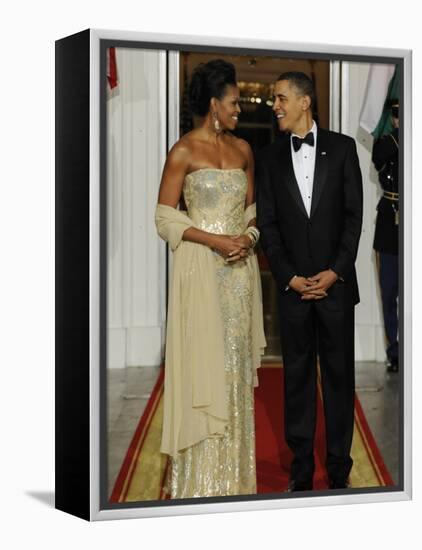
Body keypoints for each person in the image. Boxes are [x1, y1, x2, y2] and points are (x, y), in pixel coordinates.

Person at [155, 59, 266, 499]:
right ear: (214, 104)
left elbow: (254, 211)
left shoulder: (243, 151)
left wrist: (249, 237)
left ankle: (234, 480)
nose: (240, 110)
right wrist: (214, 241)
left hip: (239, 277)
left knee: (233, 368)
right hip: (200, 274)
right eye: (235, 102)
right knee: (203, 366)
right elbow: (164, 218)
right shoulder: (183, 151)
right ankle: (198, 483)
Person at [256, 71, 363, 491]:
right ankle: (300, 470)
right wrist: (290, 277)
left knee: (339, 380)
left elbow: (353, 217)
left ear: (304, 102)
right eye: (274, 99)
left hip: (336, 288)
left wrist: (335, 271)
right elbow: (268, 224)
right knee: (297, 381)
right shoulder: (268, 158)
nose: (275, 105)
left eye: (281, 97)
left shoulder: (343, 149)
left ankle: (339, 469)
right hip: (294, 292)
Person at [372, 100, 399, 373]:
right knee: (389, 290)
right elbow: (378, 156)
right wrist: (402, 134)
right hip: (390, 221)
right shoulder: (388, 142)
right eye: (397, 115)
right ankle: (395, 351)